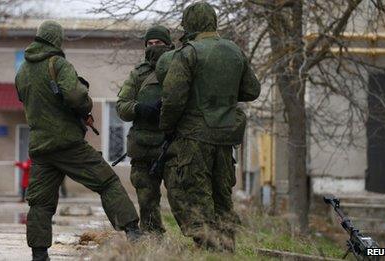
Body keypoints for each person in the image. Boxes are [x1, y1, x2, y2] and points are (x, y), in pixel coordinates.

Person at [15, 20, 141, 261]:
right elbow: (75, 96)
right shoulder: (58, 64)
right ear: (56, 40)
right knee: (107, 182)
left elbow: (29, 101)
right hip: (67, 144)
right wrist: (85, 110)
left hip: (40, 148)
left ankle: (39, 254)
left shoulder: (22, 72)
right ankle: (133, 232)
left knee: (40, 203)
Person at [158, 2, 261, 252]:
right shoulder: (234, 51)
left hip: (194, 137)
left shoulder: (189, 53)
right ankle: (226, 249)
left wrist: (166, 127)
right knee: (223, 195)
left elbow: (173, 98)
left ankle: (208, 250)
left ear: (190, 24)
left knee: (196, 193)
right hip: (225, 137)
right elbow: (252, 90)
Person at [116, 25, 174, 235]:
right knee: (146, 200)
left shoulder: (179, 68)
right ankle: (152, 242)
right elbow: (122, 106)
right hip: (144, 148)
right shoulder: (138, 74)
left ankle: (199, 240)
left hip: (173, 145)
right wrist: (140, 108)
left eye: (158, 43)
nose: (153, 47)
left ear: (168, 45)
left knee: (181, 195)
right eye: (149, 44)